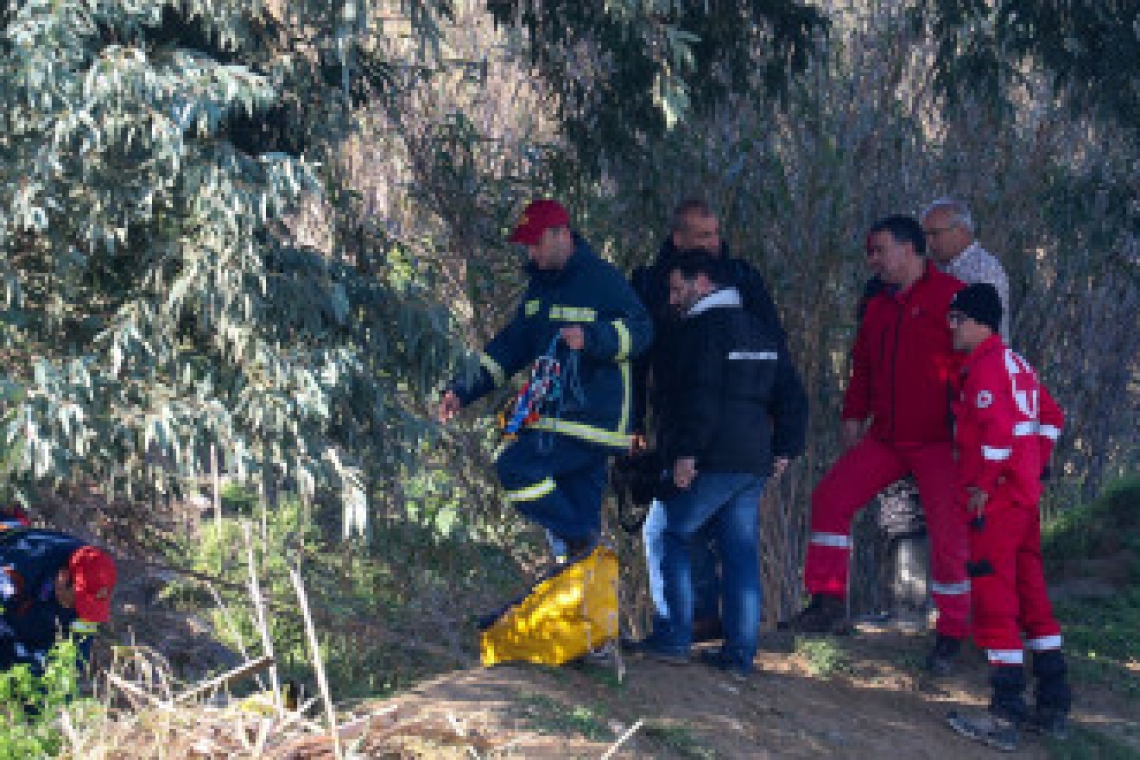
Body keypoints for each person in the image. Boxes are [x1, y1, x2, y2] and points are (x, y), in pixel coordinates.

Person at [790, 215, 971, 676]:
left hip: (938, 444)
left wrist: (971, 434)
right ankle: (827, 602)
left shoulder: (951, 297)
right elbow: (864, 368)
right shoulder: (878, 307)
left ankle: (952, 631)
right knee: (830, 498)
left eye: (879, 250)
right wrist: (854, 415)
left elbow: (975, 365)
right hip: (887, 438)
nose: (872, 260)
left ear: (910, 249)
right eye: (869, 251)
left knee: (948, 534)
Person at [438, 199, 653, 558]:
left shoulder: (603, 280)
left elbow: (643, 331)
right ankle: (582, 572)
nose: (532, 252)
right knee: (579, 538)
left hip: (589, 421)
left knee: (515, 468)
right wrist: (462, 390)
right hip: (557, 419)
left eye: (536, 243)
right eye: (528, 245)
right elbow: (510, 348)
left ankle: (579, 542)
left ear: (562, 234)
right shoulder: (541, 290)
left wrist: (593, 338)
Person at [636, 251, 807, 677]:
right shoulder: (760, 330)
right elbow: (792, 395)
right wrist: (785, 447)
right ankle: (740, 652)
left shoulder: (698, 333)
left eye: (678, 289)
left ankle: (673, 634)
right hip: (754, 460)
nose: (673, 300)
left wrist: (684, 454)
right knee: (740, 551)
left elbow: (699, 398)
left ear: (704, 283)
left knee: (665, 531)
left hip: (711, 457)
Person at [864, 198, 1013, 632]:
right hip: (919, 409)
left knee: (952, 511)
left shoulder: (982, 274)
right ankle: (912, 604)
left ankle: (962, 611)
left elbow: (984, 342)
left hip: (961, 407)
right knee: (903, 504)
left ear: (962, 231)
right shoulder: (908, 285)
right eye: (924, 235)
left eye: (935, 234)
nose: (928, 243)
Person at [942, 283, 1070, 750]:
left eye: (957, 320)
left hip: (994, 506)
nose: (951, 328)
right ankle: (1054, 703)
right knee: (1033, 597)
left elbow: (995, 434)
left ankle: (1005, 712)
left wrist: (983, 482)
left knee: (995, 599)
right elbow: (1052, 417)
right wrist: (1037, 464)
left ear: (979, 322)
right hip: (1024, 502)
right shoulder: (1020, 365)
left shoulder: (984, 371)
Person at [2, 528, 117, 675]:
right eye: (79, 602)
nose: (79, 611)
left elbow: (77, 656)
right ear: (63, 578)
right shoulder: (19, 567)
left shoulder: (92, 574)